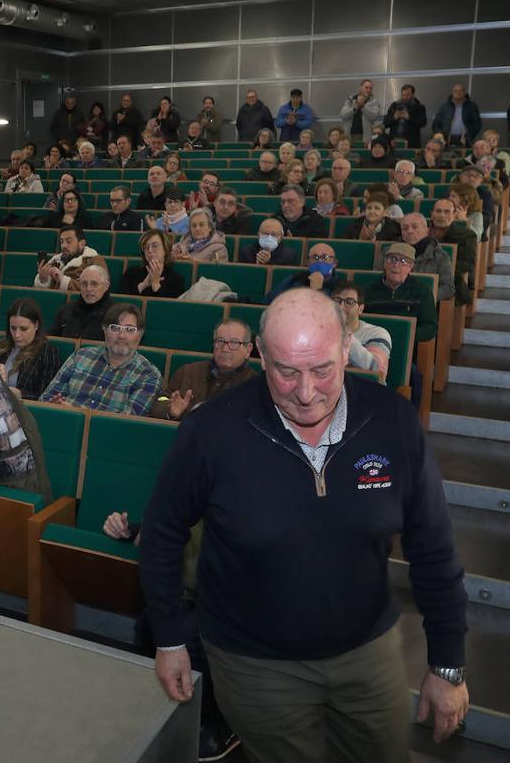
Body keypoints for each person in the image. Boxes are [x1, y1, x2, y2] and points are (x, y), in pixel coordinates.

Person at [141, 287, 468, 763]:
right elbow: (162, 532)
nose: (307, 393)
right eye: (286, 372)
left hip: (367, 654)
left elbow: (434, 549)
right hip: (253, 662)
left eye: (322, 370)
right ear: (260, 354)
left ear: (345, 349)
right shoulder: (210, 430)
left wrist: (448, 662)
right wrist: (169, 637)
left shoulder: (392, 421)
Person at [42, 304, 161, 416]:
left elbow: (126, 425)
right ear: (104, 330)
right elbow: (46, 399)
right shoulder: (81, 356)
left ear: (140, 334)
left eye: (129, 330)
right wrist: (52, 406)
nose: (121, 336)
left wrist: (77, 414)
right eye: (115, 328)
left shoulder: (149, 375)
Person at [150, 319, 255, 421]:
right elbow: (158, 404)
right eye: (220, 341)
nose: (225, 349)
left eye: (234, 343)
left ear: (248, 350)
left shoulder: (255, 387)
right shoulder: (187, 372)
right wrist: (170, 411)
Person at [0, 299, 63, 401]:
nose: (17, 335)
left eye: (23, 329)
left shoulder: (48, 353)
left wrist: (19, 394)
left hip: (24, 412)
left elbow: (46, 396)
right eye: (13, 328)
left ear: (36, 325)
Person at [363, 243, 438, 343]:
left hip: (406, 344)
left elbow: (430, 328)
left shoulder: (421, 290)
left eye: (403, 261)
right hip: (373, 343)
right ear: (385, 262)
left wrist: (405, 335)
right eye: (392, 259)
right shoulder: (369, 289)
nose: (396, 264)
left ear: (411, 266)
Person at [327, 279, 393, 384]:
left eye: (349, 302)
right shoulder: (320, 332)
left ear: (360, 309)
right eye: (337, 301)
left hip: (365, 391)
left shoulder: (377, 333)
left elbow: (375, 369)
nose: (340, 306)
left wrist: (344, 333)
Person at [429, 198, 476, 306]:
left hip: (451, 281)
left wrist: (439, 269)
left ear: (454, 214)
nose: (442, 215)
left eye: (446, 212)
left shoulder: (466, 235)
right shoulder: (421, 230)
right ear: (432, 214)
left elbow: (467, 264)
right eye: (438, 211)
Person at [48, 264, 113, 340]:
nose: (88, 289)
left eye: (94, 284)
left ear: (106, 286)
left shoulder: (114, 315)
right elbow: (51, 340)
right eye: (84, 284)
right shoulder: (66, 310)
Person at [401, 213, 455, 302]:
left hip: (424, 305)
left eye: (415, 227)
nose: (409, 231)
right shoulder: (389, 253)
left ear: (427, 230)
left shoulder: (440, 256)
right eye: (405, 228)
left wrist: (426, 297)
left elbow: (448, 288)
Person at [119, 228, 188, 298]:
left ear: (165, 249)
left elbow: (171, 307)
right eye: (146, 246)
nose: (150, 250)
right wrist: (142, 286)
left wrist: (155, 285)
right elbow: (120, 303)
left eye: (155, 246)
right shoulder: (131, 273)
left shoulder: (176, 279)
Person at [265, 242, 343, 303]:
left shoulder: (340, 287)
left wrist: (317, 290)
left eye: (325, 257)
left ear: (334, 263)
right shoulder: (296, 279)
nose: (319, 261)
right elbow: (270, 299)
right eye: (315, 257)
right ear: (307, 262)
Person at [34, 225, 102, 293]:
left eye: (68, 241)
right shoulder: (55, 261)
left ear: (81, 244)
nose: (63, 246)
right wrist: (44, 280)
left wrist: (64, 280)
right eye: (61, 242)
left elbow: (97, 289)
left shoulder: (94, 261)